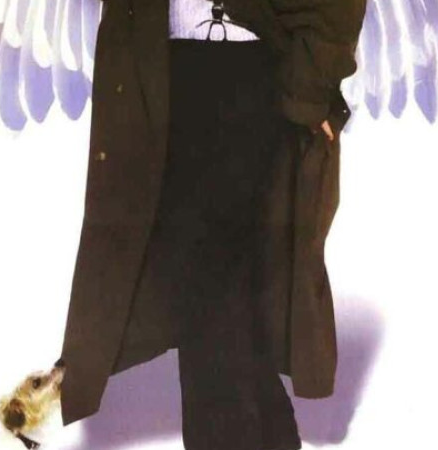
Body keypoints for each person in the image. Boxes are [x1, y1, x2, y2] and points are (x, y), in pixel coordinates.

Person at [57, 0, 367, 449]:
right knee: (215, 297)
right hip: (168, 76)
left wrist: (310, 85)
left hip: (257, 74)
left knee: (212, 291)